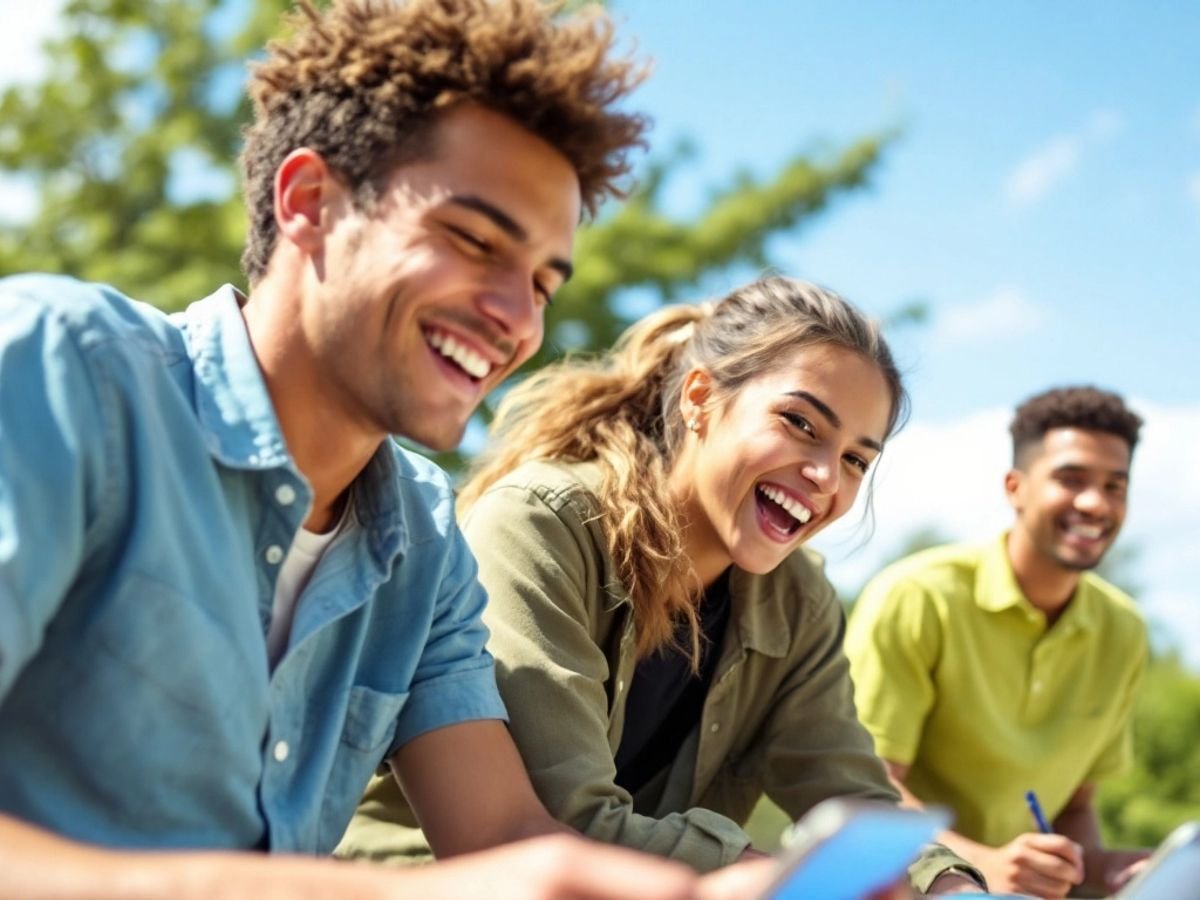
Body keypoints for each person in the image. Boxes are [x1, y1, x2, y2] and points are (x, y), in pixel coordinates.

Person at [0, 1, 753, 896]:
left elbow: (501, 838)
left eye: (544, 283)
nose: (518, 321)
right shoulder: (66, 370)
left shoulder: (425, 542)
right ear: (310, 201)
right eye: (473, 241)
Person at [340, 277, 985, 895]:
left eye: (855, 460)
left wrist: (948, 885)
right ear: (700, 399)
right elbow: (559, 819)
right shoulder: (543, 525)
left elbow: (849, 796)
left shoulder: (797, 600)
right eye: (800, 423)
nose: (825, 475)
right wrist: (772, 878)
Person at [844, 385, 1153, 898]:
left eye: (1114, 486)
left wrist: (1102, 870)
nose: (1095, 503)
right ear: (1016, 487)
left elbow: (1075, 808)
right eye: (1071, 479)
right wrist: (979, 864)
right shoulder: (919, 596)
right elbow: (865, 786)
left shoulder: (1123, 630)